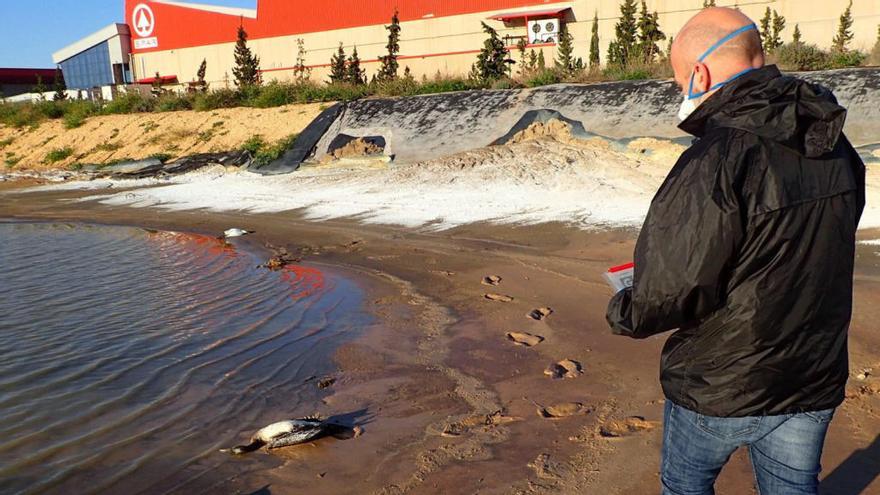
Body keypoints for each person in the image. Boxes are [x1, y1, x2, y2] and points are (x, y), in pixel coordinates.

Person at [605, 7, 866, 495]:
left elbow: (672, 287)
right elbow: (835, 233)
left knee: (684, 488)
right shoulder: (833, 141)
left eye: (679, 79)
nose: (681, 89)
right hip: (811, 372)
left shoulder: (714, 158)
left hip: (721, 381)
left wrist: (626, 309)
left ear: (699, 74)